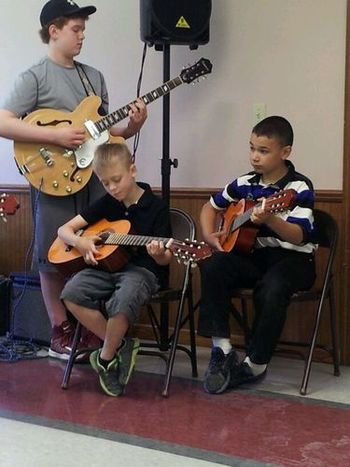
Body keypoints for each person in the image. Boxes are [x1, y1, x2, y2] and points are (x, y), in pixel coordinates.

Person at [0, 0, 147, 359]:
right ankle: (58, 330)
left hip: (93, 177)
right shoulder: (34, 75)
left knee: (92, 246)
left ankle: (90, 326)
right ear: (54, 30)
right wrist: (56, 136)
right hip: (54, 176)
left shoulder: (92, 77)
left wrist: (133, 127)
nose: (82, 36)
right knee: (52, 252)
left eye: (84, 30)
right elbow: (3, 122)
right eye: (75, 29)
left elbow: (106, 135)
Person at [198, 116, 317, 394]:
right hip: (253, 255)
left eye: (263, 151)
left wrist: (271, 219)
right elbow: (210, 207)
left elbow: (299, 236)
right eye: (251, 148)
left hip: (294, 260)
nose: (254, 156)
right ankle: (223, 351)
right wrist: (209, 235)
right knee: (211, 262)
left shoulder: (298, 187)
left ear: (285, 152)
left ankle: (255, 364)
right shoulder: (244, 182)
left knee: (273, 287)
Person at [58, 142, 172, 396]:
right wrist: (81, 241)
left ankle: (107, 358)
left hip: (143, 271)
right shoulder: (108, 202)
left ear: (133, 170)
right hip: (106, 268)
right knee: (71, 293)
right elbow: (62, 231)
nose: (112, 188)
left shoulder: (156, 207)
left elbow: (166, 261)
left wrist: (160, 253)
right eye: (105, 182)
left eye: (117, 180)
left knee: (125, 295)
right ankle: (122, 344)